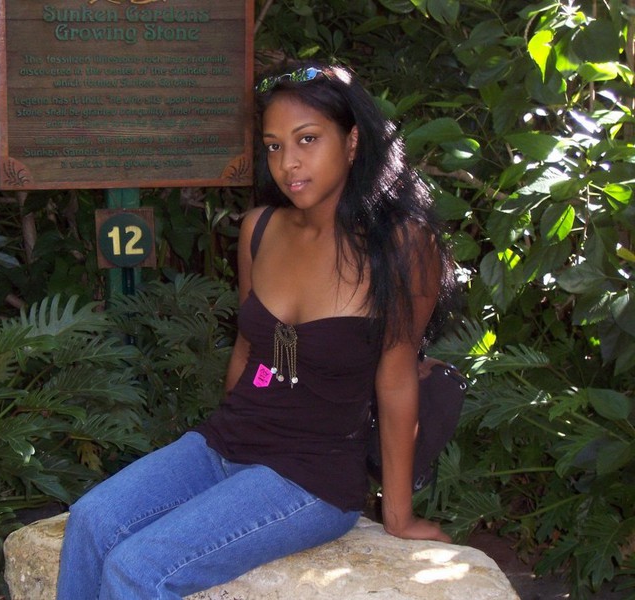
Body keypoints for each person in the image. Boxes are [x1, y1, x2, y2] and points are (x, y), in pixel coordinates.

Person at [56, 61, 456, 599]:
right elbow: (250, 350)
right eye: (273, 146)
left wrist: (397, 514)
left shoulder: (402, 245)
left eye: (307, 139)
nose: (288, 163)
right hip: (228, 443)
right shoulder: (260, 228)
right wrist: (222, 454)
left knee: (139, 568)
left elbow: (397, 377)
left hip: (312, 476)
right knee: (90, 521)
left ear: (353, 141)